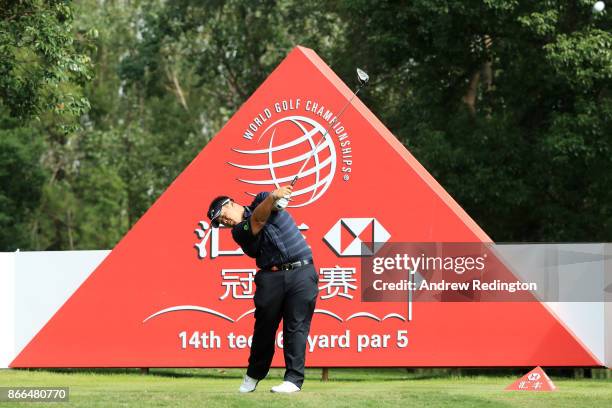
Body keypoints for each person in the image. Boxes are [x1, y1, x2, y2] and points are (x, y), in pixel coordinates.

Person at [207, 185, 318, 394]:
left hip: (302, 271)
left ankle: (293, 380)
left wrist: (276, 199)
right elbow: (257, 220)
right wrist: (274, 199)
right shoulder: (240, 233)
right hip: (271, 278)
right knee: (264, 329)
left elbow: (271, 203)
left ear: (231, 203)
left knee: (296, 327)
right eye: (221, 222)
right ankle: (254, 375)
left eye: (223, 216)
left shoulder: (262, 198)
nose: (225, 222)